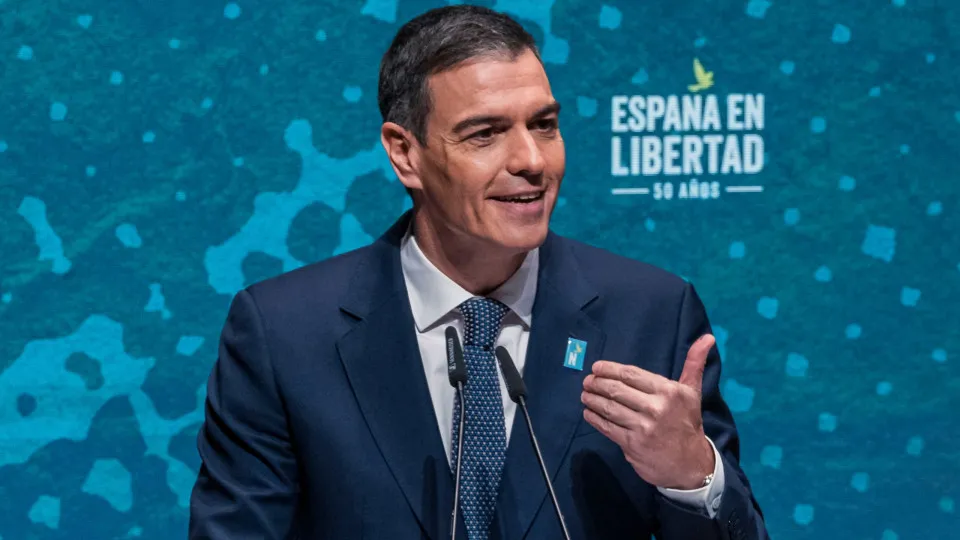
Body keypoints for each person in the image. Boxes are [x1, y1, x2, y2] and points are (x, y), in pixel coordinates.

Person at [189, 5, 769, 539]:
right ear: (405, 154)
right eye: (485, 134)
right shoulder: (284, 333)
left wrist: (692, 477)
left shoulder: (653, 316)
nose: (532, 161)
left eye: (543, 125)